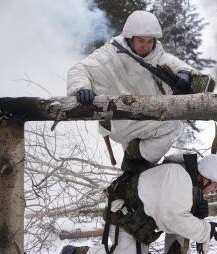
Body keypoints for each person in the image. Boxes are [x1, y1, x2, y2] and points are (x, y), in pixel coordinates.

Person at [53, 154, 217, 254]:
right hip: (123, 217)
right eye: (216, 185)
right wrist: (206, 230)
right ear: (206, 178)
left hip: (139, 221)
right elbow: (175, 219)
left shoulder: (187, 178)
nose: (215, 190)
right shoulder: (179, 178)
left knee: (188, 215)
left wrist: (197, 212)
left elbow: (178, 216)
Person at [67, 10, 202, 172]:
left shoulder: (157, 55)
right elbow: (79, 69)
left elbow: (177, 65)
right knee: (173, 126)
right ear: (130, 38)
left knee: (170, 126)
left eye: (149, 41)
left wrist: (185, 74)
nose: (145, 46)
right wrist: (81, 88)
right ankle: (135, 162)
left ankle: (139, 168)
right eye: (140, 41)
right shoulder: (110, 53)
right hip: (119, 119)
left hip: (143, 118)